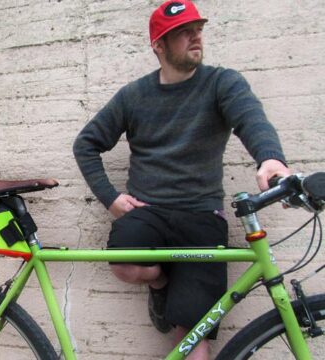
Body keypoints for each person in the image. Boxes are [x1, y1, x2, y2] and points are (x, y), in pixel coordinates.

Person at [72, 1, 291, 359]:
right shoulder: (134, 95)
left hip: (201, 215)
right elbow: (86, 144)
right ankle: (161, 282)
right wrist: (111, 198)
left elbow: (250, 118)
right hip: (149, 211)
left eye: (198, 28)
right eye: (183, 32)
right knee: (124, 263)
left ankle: (179, 301)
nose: (196, 36)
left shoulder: (222, 83)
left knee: (192, 333)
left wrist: (270, 158)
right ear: (159, 45)